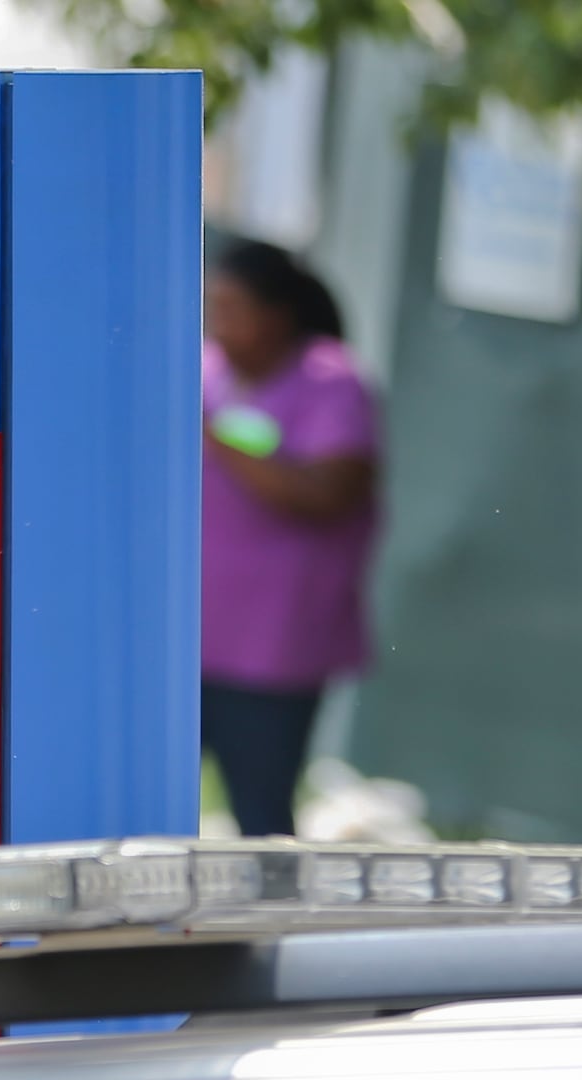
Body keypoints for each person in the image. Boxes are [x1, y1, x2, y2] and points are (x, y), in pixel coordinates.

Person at [199, 239, 383, 840]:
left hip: (274, 651)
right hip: (188, 640)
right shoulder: (200, 372)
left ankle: (268, 934)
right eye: (212, 307)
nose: (217, 324)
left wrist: (215, 438)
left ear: (277, 315)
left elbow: (326, 494)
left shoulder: (332, 383)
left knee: (261, 817)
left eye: (233, 309)